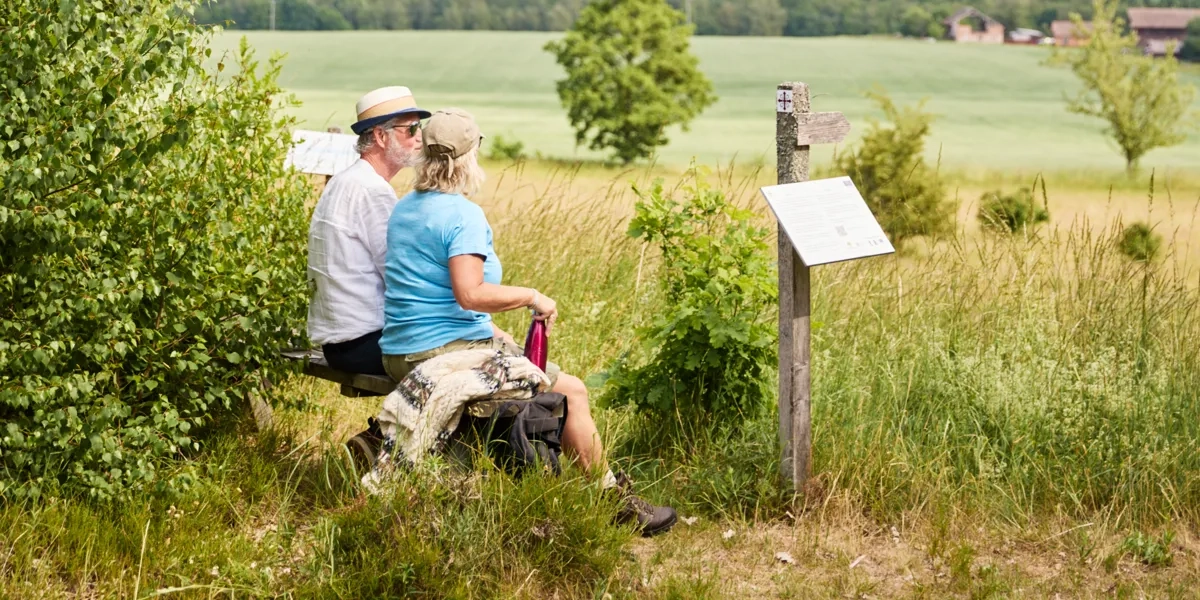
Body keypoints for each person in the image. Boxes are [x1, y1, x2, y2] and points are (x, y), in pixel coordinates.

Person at [379, 108, 677, 537]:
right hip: (440, 354)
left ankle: (586, 490)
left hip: (399, 352)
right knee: (572, 390)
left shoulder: (406, 207)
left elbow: (428, 292)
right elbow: (470, 293)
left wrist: (490, 331)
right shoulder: (462, 215)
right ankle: (613, 503)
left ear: (424, 154)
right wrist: (532, 297)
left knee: (535, 369)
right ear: (469, 156)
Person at [307, 86, 429, 375]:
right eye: (411, 129)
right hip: (366, 343)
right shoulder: (373, 191)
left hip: (342, 344)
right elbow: (400, 275)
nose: (419, 137)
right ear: (380, 136)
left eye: (420, 127)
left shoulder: (344, 180)